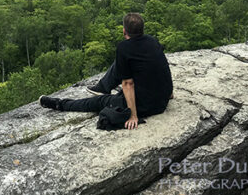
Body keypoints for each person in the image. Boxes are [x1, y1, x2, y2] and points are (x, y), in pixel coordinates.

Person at [39, 13, 173, 130]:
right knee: (120, 63)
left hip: (147, 106)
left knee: (99, 101)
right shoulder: (152, 41)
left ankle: (60, 104)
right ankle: (103, 86)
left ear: (124, 31)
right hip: (162, 100)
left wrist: (133, 115)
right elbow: (162, 66)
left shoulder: (124, 47)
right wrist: (169, 93)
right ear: (142, 29)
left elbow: (128, 84)